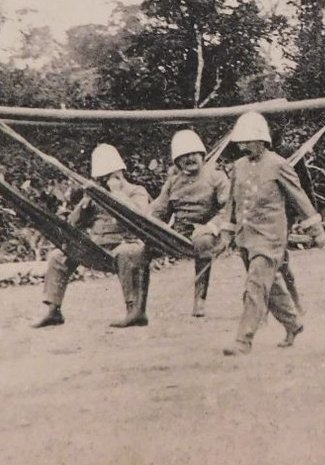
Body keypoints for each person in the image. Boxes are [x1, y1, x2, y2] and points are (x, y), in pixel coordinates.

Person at [220, 111, 322, 356]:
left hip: (271, 237)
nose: (244, 147)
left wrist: (315, 228)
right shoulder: (238, 167)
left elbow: (299, 197)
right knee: (271, 286)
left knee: (255, 284)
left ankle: (243, 340)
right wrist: (226, 232)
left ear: (262, 140)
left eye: (248, 141)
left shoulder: (278, 164)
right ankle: (293, 324)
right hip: (246, 237)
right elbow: (231, 205)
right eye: (241, 142)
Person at [32, 143, 151, 328]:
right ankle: (53, 310)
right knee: (58, 255)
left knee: (128, 252)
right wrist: (84, 204)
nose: (106, 181)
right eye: (102, 178)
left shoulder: (136, 191)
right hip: (97, 248)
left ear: (119, 172)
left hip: (125, 244)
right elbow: (73, 224)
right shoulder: (95, 195)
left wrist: (117, 193)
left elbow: (141, 217)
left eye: (109, 176)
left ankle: (134, 311)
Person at [150, 129, 231, 318]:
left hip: (209, 233)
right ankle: (136, 307)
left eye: (193, 154)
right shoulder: (173, 182)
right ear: (177, 161)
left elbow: (228, 208)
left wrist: (212, 226)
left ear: (202, 155)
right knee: (138, 250)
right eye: (184, 156)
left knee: (202, 240)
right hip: (178, 234)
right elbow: (160, 210)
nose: (190, 158)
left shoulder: (216, 177)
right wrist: (149, 226)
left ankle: (199, 300)